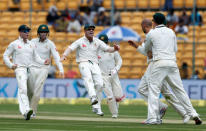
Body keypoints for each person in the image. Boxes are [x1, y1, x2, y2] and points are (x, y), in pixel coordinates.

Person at [128, 19, 190, 124]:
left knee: (143, 89)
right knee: (165, 92)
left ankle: (157, 114)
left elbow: (150, 53)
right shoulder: (150, 36)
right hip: (158, 65)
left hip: (156, 65)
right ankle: (182, 113)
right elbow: (146, 52)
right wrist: (137, 46)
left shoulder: (153, 35)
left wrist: (142, 49)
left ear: (144, 26)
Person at [144, 13, 202, 125]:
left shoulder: (152, 33)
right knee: (180, 90)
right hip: (172, 63)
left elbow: (147, 49)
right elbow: (175, 49)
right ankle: (193, 114)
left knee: (153, 90)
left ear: (154, 22)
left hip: (159, 62)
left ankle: (152, 118)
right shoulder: (171, 32)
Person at [60, 24, 120, 114]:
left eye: (92, 29)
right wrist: (64, 55)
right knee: (88, 79)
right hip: (83, 62)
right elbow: (70, 48)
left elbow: (108, 49)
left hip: (94, 63)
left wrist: (115, 49)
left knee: (100, 84)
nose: (91, 31)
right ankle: (92, 97)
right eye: (89, 29)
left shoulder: (97, 41)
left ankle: (96, 107)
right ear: (85, 31)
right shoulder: (80, 41)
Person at [3, 25, 50, 120]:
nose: (27, 33)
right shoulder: (14, 44)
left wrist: (43, 62)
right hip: (20, 69)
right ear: (20, 32)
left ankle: (26, 113)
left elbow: (36, 57)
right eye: (25, 31)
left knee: (31, 91)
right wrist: (11, 65)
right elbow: (5, 55)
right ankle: (26, 110)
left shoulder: (31, 44)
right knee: (23, 89)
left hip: (30, 69)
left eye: (28, 31)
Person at [28, 24, 64, 117]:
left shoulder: (50, 44)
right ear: (38, 33)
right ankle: (28, 108)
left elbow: (56, 57)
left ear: (47, 33)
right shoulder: (32, 42)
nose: (43, 34)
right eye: (41, 32)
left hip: (44, 69)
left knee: (37, 91)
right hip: (32, 68)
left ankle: (33, 111)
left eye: (45, 32)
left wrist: (61, 69)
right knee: (31, 91)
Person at [96, 34, 125, 118]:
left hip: (114, 75)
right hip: (103, 76)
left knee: (118, 96)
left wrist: (116, 69)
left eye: (105, 42)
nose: (103, 44)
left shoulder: (113, 50)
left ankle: (114, 110)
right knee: (110, 96)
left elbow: (119, 60)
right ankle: (114, 114)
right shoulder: (96, 52)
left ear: (107, 42)